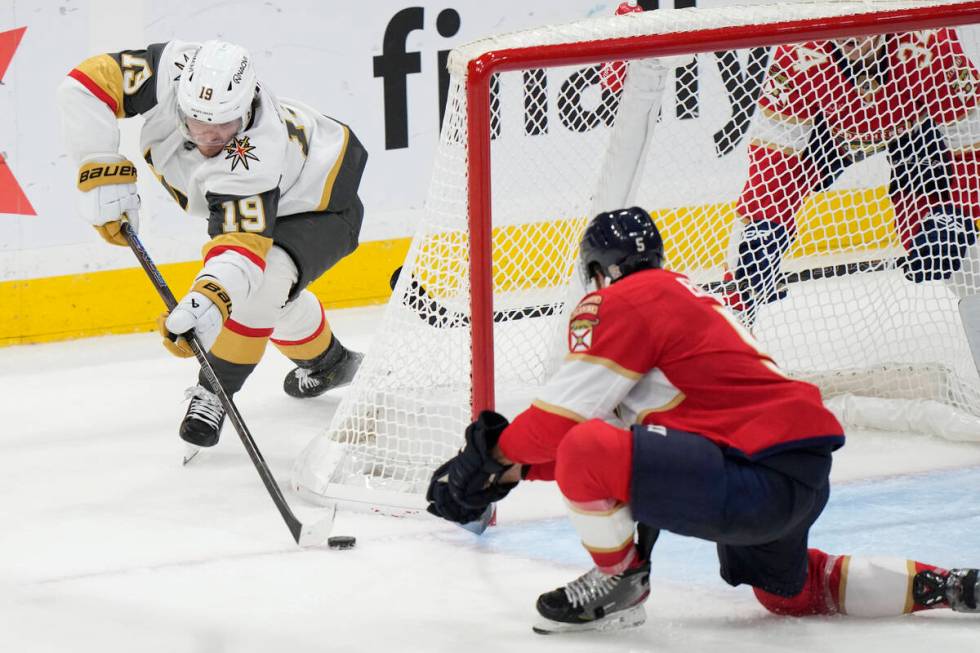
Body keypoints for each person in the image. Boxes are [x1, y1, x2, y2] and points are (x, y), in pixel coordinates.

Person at [425, 207, 980, 634]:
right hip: (791, 475)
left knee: (587, 445)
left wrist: (493, 455)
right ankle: (950, 586)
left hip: (750, 476)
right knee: (792, 591)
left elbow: (562, 427)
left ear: (597, 270)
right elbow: (624, 448)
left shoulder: (625, 301)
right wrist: (517, 473)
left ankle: (620, 582)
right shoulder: (693, 299)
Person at [57, 40, 368, 448]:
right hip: (282, 193)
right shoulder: (171, 70)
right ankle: (331, 363)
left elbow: (240, 251)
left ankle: (214, 392)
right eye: (197, 122)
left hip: (321, 203)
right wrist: (98, 163)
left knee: (263, 284)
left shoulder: (254, 157)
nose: (211, 136)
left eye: (226, 124)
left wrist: (209, 302)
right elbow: (83, 85)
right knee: (275, 298)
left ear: (247, 105)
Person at [727, 29, 980, 324]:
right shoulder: (799, 49)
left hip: (916, 129)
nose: (847, 31)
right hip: (827, 135)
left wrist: (959, 214)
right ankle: (734, 328)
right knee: (750, 243)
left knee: (951, 249)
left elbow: (970, 137)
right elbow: (773, 158)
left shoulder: (932, 40)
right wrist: (764, 228)